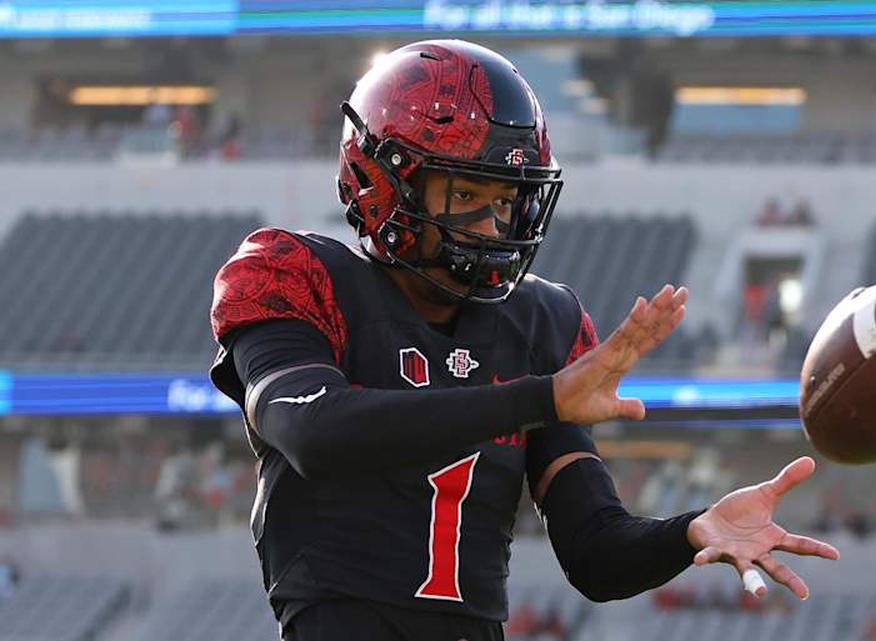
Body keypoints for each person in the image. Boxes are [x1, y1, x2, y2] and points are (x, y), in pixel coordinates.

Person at [208, 39, 839, 641]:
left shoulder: (541, 321)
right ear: (383, 182)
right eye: (464, 194)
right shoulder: (295, 274)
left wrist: (691, 532)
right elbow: (317, 433)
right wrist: (542, 397)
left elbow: (595, 553)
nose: (489, 224)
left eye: (506, 199)